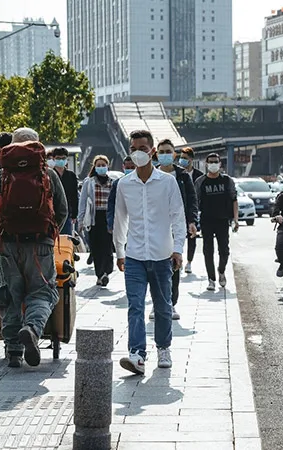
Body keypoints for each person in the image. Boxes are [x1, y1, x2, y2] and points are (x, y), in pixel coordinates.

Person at [0, 127, 68, 368]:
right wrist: (49, 234)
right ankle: (32, 328)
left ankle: (13, 350)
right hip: (40, 244)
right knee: (42, 292)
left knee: (9, 294)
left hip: (8, 244)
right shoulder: (48, 175)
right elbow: (62, 211)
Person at [113, 129, 185, 374]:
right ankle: (137, 355)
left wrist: (178, 249)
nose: (138, 153)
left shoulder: (167, 182)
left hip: (162, 255)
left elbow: (178, 217)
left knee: (163, 305)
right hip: (134, 256)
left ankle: (164, 347)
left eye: (143, 149)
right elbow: (120, 219)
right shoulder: (124, 183)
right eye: (134, 149)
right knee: (135, 306)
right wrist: (119, 252)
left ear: (152, 151)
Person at [152, 139, 198, 321]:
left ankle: (170, 304)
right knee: (154, 267)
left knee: (174, 265)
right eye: (161, 151)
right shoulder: (151, 174)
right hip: (155, 227)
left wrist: (192, 221)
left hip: (175, 226)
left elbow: (192, 199)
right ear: (157, 154)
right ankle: (156, 304)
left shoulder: (182, 176)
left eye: (168, 151)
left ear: (174, 154)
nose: (164, 154)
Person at [194, 153, 239, 291]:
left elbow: (234, 200)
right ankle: (211, 279)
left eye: (216, 162)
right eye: (210, 162)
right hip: (207, 220)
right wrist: (193, 220)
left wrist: (235, 220)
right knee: (208, 250)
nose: (213, 164)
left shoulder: (227, 181)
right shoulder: (200, 181)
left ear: (220, 164)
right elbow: (194, 202)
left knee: (224, 250)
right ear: (206, 164)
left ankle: (221, 270)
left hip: (223, 220)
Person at [78, 155, 114, 287]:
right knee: (96, 247)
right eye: (98, 165)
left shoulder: (112, 181)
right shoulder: (89, 182)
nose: (101, 167)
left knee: (108, 246)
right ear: (94, 166)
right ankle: (100, 274)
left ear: (107, 166)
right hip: (94, 218)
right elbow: (83, 202)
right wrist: (80, 220)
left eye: (103, 165)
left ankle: (107, 270)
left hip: (108, 217)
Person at [177, 147, 203, 274]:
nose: (182, 160)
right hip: (178, 210)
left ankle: (189, 262)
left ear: (191, 160)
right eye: (181, 158)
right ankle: (178, 259)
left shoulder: (198, 176)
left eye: (185, 158)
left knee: (192, 237)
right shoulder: (177, 173)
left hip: (192, 210)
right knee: (178, 236)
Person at [50, 147, 79, 236]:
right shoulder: (50, 174)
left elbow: (74, 195)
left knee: (66, 237)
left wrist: (74, 214)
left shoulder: (71, 175)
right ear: (53, 159)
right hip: (52, 210)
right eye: (58, 158)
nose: (61, 160)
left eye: (63, 158)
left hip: (67, 211)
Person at [107, 155, 135, 233]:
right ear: (123, 167)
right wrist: (111, 224)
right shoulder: (118, 183)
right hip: (122, 221)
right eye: (127, 168)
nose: (130, 170)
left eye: (133, 167)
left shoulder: (143, 183)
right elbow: (111, 204)